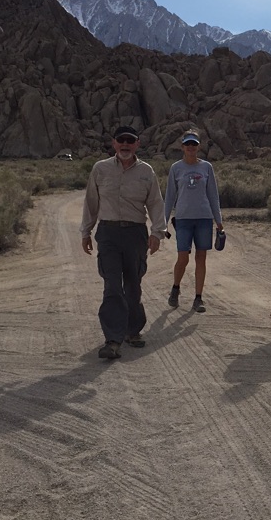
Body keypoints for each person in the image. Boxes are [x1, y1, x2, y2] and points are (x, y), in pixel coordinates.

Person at [81, 126, 166, 360]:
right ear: (114, 143)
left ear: (138, 144)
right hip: (108, 233)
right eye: (121, 141)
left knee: (133, 285)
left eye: (130, 141)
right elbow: (91, 203)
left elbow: (156, 204)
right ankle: (113, 339)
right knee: (111, 286)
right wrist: (86, 232)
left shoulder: (146, 172)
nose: (126, 145)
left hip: (135, 235)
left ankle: (133, 329)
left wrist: (157, 233)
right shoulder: (101, 169)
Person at [164, 129, 224, 313]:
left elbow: (212, 195)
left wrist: (218, 220)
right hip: (183, 218)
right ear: (182, 147)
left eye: (194, 144)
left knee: (201, 257)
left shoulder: (206, 167)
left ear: (199, 147)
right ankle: (175, 288)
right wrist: (163, 222)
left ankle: (198, 298)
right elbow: (170, 196)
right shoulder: (176, 168)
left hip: (204, 218)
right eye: (188, 144)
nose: (191, 147)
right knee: (183, 257)